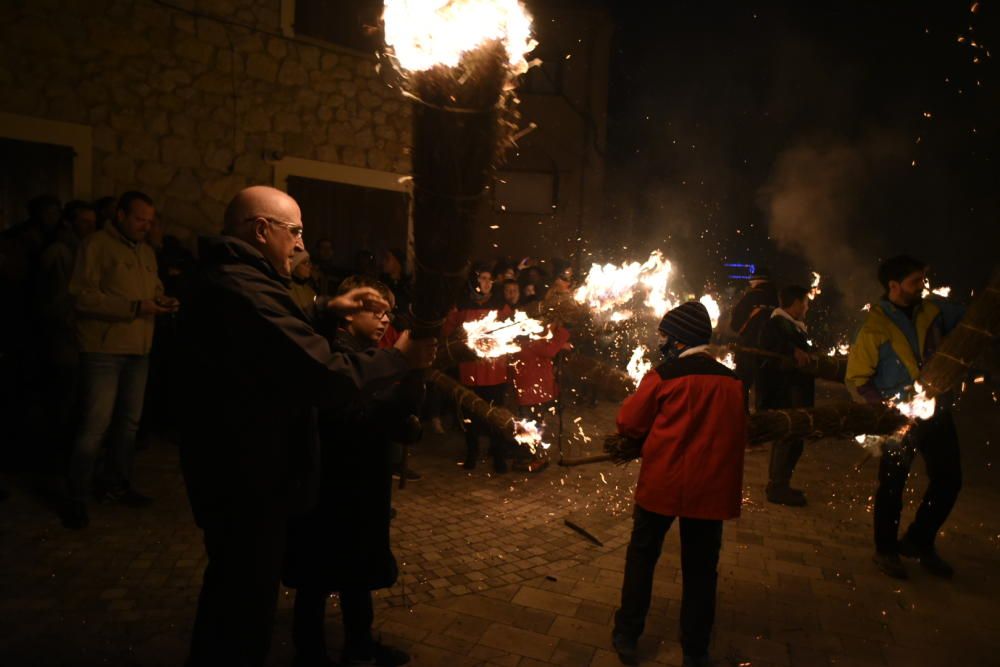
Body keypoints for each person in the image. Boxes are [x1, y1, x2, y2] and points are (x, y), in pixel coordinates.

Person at [176, 185, 436, 667]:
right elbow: (324, 373)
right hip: (246, 477)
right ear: (261, 230)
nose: (300, 244)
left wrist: (324, 307)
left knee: (236, 597)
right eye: (293, 231)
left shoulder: (235, 278)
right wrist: (398, 358)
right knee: (240, 609)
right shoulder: (241, 289)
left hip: (241, 470)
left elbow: (274, 333)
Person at [284, 275, 420, 667]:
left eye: (387, 313)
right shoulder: (333, 357)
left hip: (363, 483)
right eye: (374, 311)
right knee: (316, 577)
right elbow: (349, 414)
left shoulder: (372, 355)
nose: (383, 320)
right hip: (329, 484)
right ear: (345, 317)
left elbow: (394, 416)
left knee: (358, 572)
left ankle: (359, 644)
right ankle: (309, 654)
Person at [612, 301, 747, 667]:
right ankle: (695, 650)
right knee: (702, 570)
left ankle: (627, 634)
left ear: (677, 339)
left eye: (664, 335)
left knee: (642, 558)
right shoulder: (733, 383)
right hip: (711, 490)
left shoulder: (663, 376)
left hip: (662, 485)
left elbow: (630, 422)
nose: (661, 341)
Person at [63, 192, 178, 529]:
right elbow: (80, 296)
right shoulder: (95, 246)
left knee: (128, 425)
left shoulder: (145, 252)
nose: (147, 226)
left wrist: (162, 299)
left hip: (138, 349)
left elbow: (151, 288)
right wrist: (134, 308)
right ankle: (76, 498)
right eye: (140, 219)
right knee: (93, 427)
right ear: (121, 216)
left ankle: (116, 484)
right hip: (103, 350)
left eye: (149, 220)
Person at [846, 255, 964, 580]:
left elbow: (971, 324)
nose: (921, 286)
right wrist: (883, 410)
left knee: (950, 480)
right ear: (893, 286)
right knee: (892, 486)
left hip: (937, 411)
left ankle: (918, 540)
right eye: (915, 281)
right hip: (898, 420)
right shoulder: (874, 326)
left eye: (923, 279)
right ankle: (885, 551)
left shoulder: (935, 310)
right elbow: (857, 378)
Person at [36, 201, 97, 453]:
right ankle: (54, 452)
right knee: (62, 396)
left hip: (76, 334)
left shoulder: (85, 250)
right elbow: (46, 295)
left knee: (74, 396)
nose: (90, 228)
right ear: (68, 222)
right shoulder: (59, 252)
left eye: (93, 223)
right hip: (62, 333)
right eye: (85, 222)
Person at [444, 263, 511, 472]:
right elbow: (447, 330)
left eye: (490, 278)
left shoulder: (502, 306)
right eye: (482, 278)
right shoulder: (462, 306)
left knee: (495, 416)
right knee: (470, 417)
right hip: (470, 372)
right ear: (474, 281)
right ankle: (472, 453)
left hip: (495, 372)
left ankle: (498, 455)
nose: (487, 283)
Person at [756, 285, 815, 506]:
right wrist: (792, 351)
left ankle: (782, 483)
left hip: (795, 392)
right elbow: (769, 347)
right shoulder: (775, 324)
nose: (807, 307)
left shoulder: (794, 326)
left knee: (794, 440)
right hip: (784, 393)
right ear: (797, 303)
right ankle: (777, 487)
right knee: (787, 438)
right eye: (805, 302)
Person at [509, 320, 571, 471]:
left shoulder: (526, 339)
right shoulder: (531, 341)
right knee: (531, 423)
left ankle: (527, 456)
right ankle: (529, 458)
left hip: (529, 387)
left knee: (530, 422)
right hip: (532, 389)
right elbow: (549, 350)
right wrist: (560, 330)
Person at [728, 266, 778, 408]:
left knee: (741, 388)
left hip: (748, 350)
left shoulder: (750, 297)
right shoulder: (777, 298)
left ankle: (743, 419)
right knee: (765, 392)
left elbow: (735, 324)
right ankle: (765, 421)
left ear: (754, 281)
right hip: (771, 352)